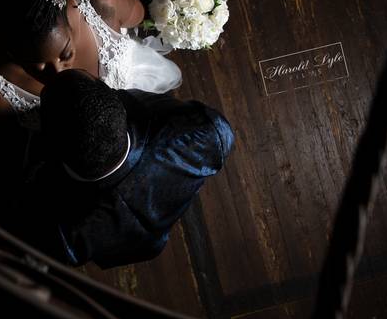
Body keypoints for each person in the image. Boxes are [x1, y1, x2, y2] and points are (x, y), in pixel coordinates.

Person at [26, 69, 234, 268]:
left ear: (50, 143)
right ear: (119, 105)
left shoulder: (68, 234)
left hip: (130, 246)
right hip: (157, 221)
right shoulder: (202, 134)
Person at [0, 0, 182, 134]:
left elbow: (137, 15)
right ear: (11, 52)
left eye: (66, 54)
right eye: (37, 67)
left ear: (72, 9)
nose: (60, 74)